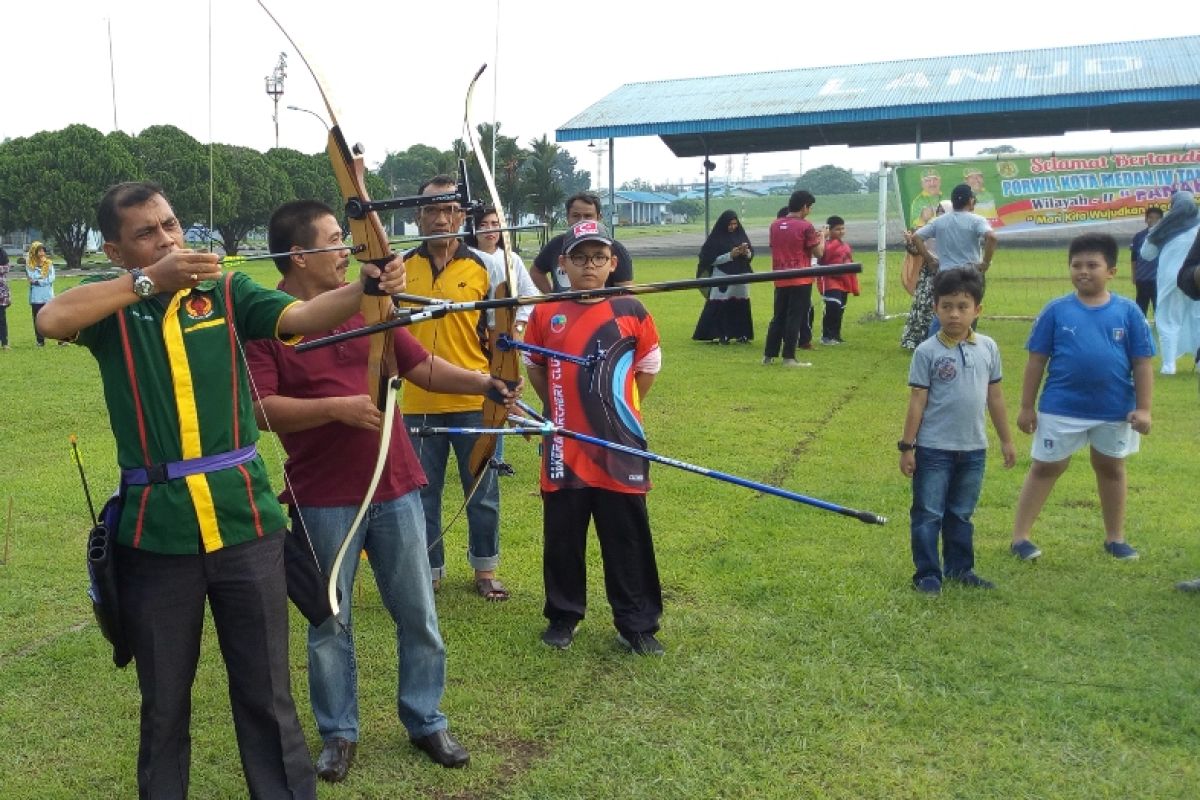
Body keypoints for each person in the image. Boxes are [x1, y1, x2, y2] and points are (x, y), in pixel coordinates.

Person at [34, 181, 407, 798]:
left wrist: (365, 287)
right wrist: (150, 279)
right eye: (147, 233)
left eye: (171, 224)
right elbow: (50, 317)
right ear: (117, 250)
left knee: (267, 695)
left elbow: (302, 315)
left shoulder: (228, 291)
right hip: (156, 533)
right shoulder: (116, 308)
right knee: (164, 705)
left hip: (245, 524)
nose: (168, 238)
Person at [245, 201, 519, 781]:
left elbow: (419, 366)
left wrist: (484, 381)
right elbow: (262, 410)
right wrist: (338, 409)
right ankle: (338, 733)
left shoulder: (368, 305)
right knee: (329, 623)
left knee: (418, 612)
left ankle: (426, 719)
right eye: (334, 239)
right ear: (299, 255)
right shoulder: (269, 321)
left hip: (394, 486)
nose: (346, 248)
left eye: (346, 237)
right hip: (322, 495)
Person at [523, 220, 665, 655]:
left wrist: (616, 413)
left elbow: (649, 366)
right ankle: (564, 615)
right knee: (563, 535)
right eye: (580, 257)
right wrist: (563, 408)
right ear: (562, 262)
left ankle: (637, 623)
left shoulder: (631, 310)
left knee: (627, 535)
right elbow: (533, 363)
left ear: (612, 262)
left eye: (598, 257)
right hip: (564, 446)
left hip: (620, 446)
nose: (589, 266)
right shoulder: (547, 312)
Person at [1009, 233, 1154, 563]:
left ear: (1112, 271)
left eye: (1092, 265)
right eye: (1076, 265)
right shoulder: (1056, 311)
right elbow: (1035, 361)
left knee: (1111, 468)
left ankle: (1115, 539)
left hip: (1114, 409)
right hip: (1061, 407)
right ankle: (1020, 538)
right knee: (1046, 467)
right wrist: (1026, 406)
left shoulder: (1129, 313)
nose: (1083, 271)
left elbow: (1142, 364)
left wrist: (1144, 409)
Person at [401, 175, 507, 600]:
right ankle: (429, 571)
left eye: (449, 210)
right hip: (415, 402)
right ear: (419, 216)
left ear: (461, 216)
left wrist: (504, 389)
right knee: (421, 496)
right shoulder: (401, 267)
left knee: (482, 493)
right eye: (432, 210)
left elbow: (501, 338)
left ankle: (485, 571)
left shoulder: (485, 267)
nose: (441, 219)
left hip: (474, 401)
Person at [899, 268, 1015, 594]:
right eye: (947, 305)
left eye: (963, 306)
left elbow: (995, 397)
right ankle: (927, 574)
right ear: (935, 306)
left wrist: (1006, 440)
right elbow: (917, 402)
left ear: (977, 309)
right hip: (934, 449)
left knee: (961, 513)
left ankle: (960, 569)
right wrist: (907, 447)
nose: (954, 314)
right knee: (927, 514)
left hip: (974, 449)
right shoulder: (927, 352)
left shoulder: (988, 348)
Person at [465, 205, 541, 477]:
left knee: (503, 390)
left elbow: (529, 295)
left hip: (504, 339)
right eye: (483, 225)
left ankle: (496, 455)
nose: (490, 230)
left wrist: (518, 327)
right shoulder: (467, 258)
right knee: (482, 392)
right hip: (474, 337)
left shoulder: (512, 259)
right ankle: (486, 447)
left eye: (495, 224)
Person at [912, 183, 999, 338]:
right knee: (968, 310)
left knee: (943, 311)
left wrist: (930, 259)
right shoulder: (976, 220)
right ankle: (965, 343)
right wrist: (985, 262)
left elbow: (917, 237)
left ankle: (933, 345)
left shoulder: (939, 221)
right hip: (969, 274)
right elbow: (991, 237)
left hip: (946, 274)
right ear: (971, 201)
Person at [1137, 191, 1200, 375]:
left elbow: (1146, 254)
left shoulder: (1164, 228)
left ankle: (1169, 366)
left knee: (1168, 321)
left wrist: (1156, 233)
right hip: (1195, 279)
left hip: (1171, 281)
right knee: (1198, 320)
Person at [762, 190, 825, 367]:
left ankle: (768, 355)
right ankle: (789, 357)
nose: (809, 211)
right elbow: (819, 253)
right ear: (804, 206)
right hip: (801, 279)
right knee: (795, 317)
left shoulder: (774, 225)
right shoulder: (806, 226)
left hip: (780, 277)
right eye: (809, 207)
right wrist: (822, 238)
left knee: (778, 317)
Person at [531, 192, 633, 292]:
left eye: (588, 216)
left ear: (599, 218)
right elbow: (536, 271)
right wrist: (552, 299)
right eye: (576, 216)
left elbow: (625, 293)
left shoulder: (614, 248)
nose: (582, 221)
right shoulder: (555, 245)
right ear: (567, 217)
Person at [691, 209, 754, 344]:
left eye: (735, 224)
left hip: (741, 274)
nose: (733, 227)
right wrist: (730, 256)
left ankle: (742, 334)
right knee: (721, 305)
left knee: (741, 304)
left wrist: (746, 252)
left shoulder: (740, 235)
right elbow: (709, 259)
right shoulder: (715, 239)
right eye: (730, 224)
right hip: (722, 275)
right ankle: (721, 333)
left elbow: (751, 255)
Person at [900, 201, 950, 349]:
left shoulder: (954, 229)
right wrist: (910, 242)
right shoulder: (932, 226)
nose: (940, 212)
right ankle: (917, 341)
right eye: (938, 209)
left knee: (941, 306)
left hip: (948, 273)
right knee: (923, 306)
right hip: (929, 274)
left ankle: (939, 340)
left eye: (943, 210)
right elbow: (916, 251)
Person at [816, 215, 859, 345]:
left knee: (840, 309)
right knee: (832, 307)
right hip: (829, 280)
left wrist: (853, 283)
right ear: (829, 230)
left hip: (844, 282)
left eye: (842, 228)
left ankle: (836, 335)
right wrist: (823, 237)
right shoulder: (824, 244)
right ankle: (826, 336)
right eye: (837, 229)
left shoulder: (846, 246)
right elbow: (820, 257)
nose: (841, 231)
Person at [1130, 206, 1164, 318]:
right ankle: (1140, 327)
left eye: (1157, 218)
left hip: (1159, 278)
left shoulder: (1165, 235)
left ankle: (1160, 328)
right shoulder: (1139, 236)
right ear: (1146, 219)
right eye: (1150, 217)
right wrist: (1134, 275)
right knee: (1141, 306)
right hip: (1142, 278)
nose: (1153, 220)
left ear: (1162, 220)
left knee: (1159, 306)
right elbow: (1134, 257)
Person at [25, 240, 56, 346]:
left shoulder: (49, 264)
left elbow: (51, 278)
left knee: (54, 317)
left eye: (43, 251)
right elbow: (31, 278)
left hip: (48, 296)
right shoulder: (29, 265)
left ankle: (61, 339)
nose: (42, 253)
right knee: (37, 319)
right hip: (36, 297)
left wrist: (39, 281)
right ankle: (40, 341)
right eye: (39, 251)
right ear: (34, 252)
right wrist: (41, 280)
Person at [0, 249, 10, 349]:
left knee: (2, 319)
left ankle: (4, 343)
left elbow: (6, 268)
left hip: (1, 295)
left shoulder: (2, 252)